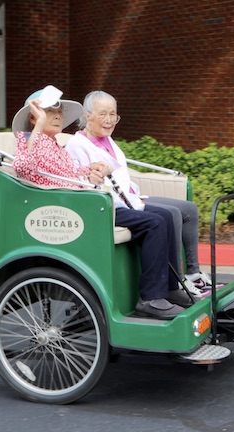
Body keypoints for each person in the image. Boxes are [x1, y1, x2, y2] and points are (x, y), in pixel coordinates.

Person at [11, 85, 191, 320]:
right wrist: (38, 126)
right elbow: (23, 166)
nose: (56, 116)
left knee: (165, 217)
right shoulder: (29, 141)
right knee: (154, 223)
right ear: (34, 116)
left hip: (86, 200)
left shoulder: (55, 144)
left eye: (58, 111)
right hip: (79, 207)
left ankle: (168, 288)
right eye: (48, 112)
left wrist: (89, 171)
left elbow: (68, 174)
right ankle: (150, 298)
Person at [65, 90, 219, 297]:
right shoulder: (77, 144)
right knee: (166, 216)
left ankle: (186, 278)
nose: (109, 120)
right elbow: (77, 179)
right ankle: (170, 286)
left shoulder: (108, 141)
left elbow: (121, 175)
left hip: (129, 198)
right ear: (87, 115)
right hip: (107, 204)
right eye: (103, 114)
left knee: (181, 211)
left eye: (113, 114)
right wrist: (93, 178)